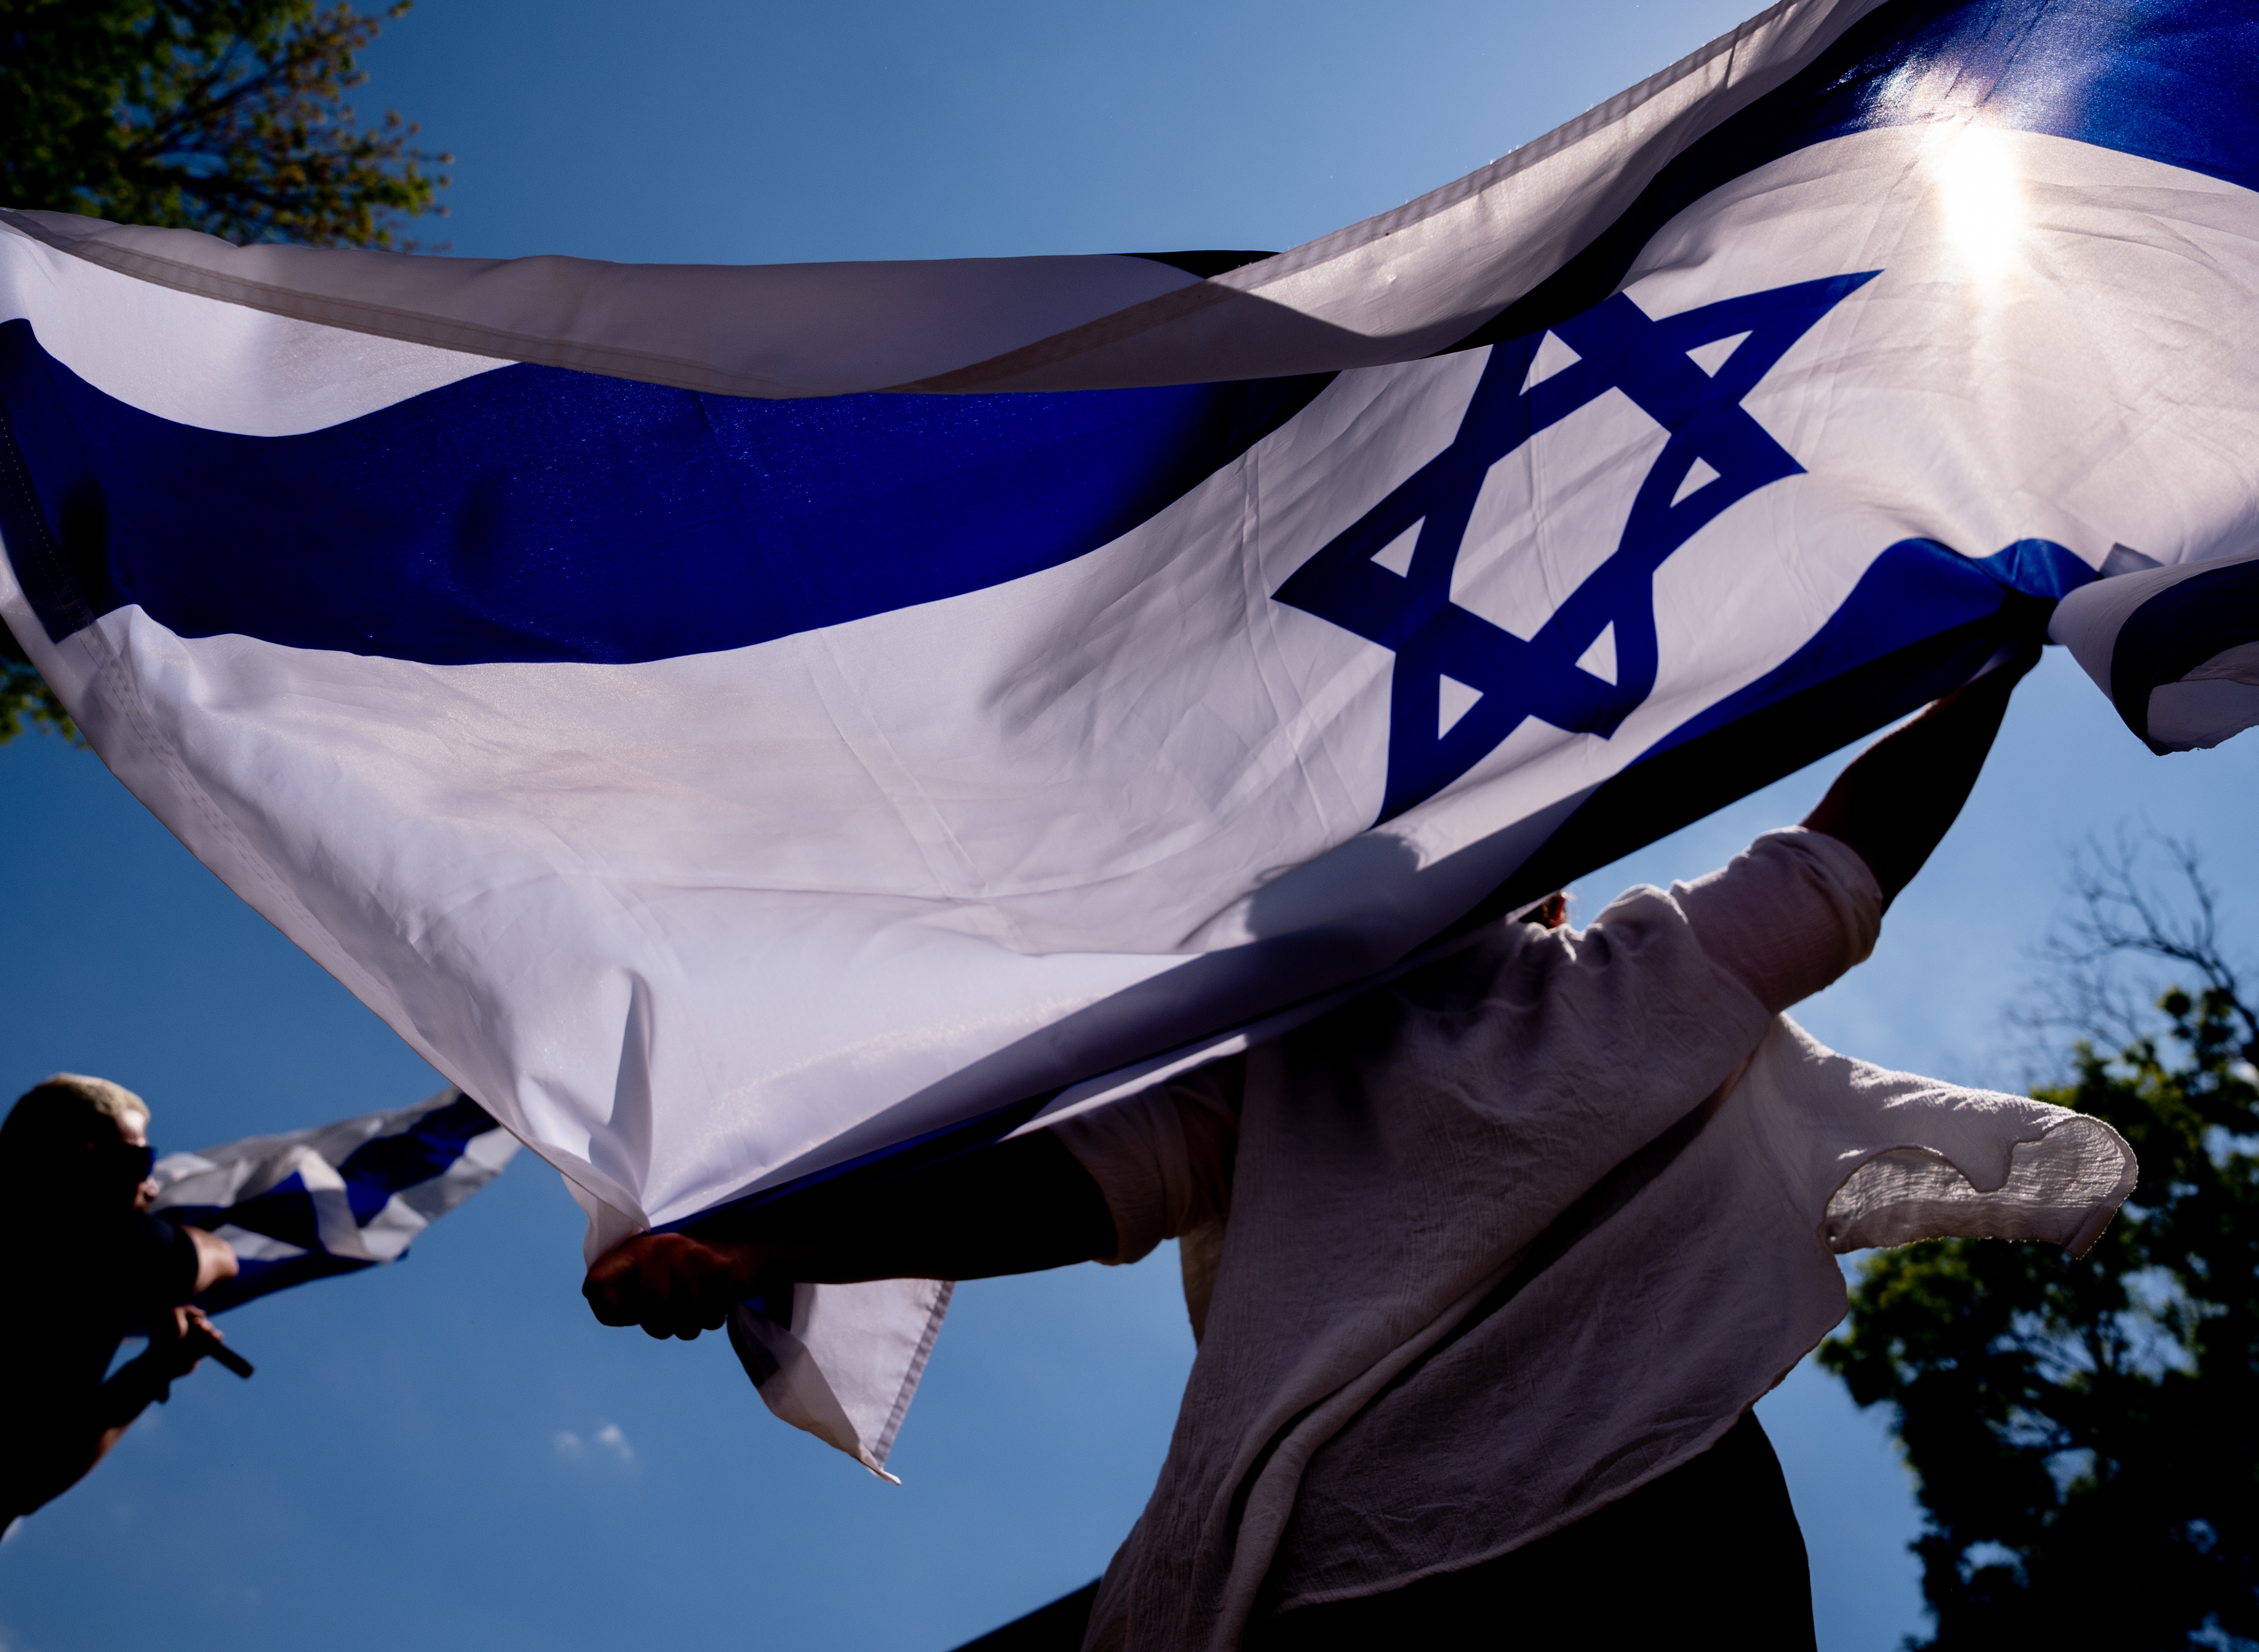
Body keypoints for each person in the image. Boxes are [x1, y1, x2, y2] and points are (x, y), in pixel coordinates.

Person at [586, 649, 2136, 1648]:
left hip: (1629, 1522)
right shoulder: (1283, 1063)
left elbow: (1843, 859)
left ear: (1540, 884)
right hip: (1338, 1553)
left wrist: (1990, 647)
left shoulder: (1637, 974)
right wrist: (762, 1243)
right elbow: (1056, 1188)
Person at [0, 1074, 240, 1525]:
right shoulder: (106, 1241)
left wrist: (150, 1372)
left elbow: (26, 1479)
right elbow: (222, 1260)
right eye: (140, 1161)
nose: (149, 1185)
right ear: (87, 1155)